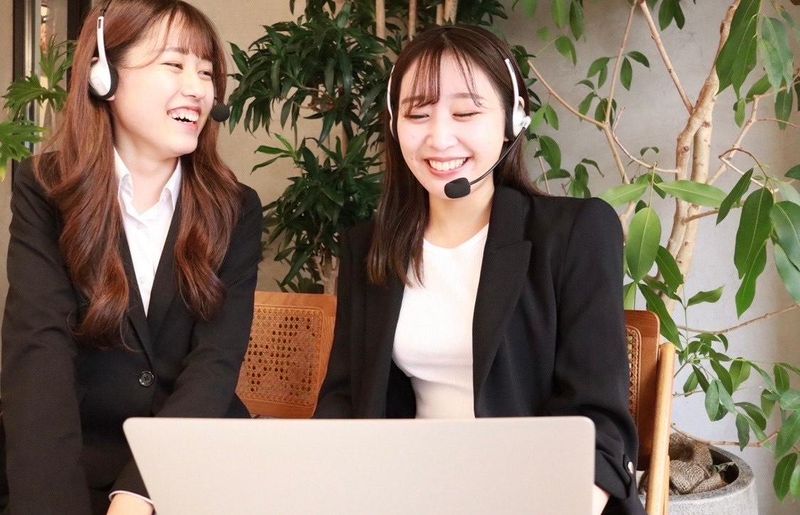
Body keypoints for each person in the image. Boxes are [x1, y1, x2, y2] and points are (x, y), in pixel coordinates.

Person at [315, 25, 644, 515]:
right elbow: (345, 399)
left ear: (513, 119)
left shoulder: (576, 232)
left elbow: (599, 424)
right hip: (407, 491)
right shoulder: (370, 247)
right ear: (394, 124)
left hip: (537, 497)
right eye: (418, 114)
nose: (439, 137)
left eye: (466, 113)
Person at [0, 1, 262, 513]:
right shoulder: (45, 188)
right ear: (105, 76)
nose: (198, 88)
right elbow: (39, 352)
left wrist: (142, 489)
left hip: (190, 461)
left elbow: (214, 364)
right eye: (174, 64)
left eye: (206, 72)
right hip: (69, 462)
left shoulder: (235, 208)